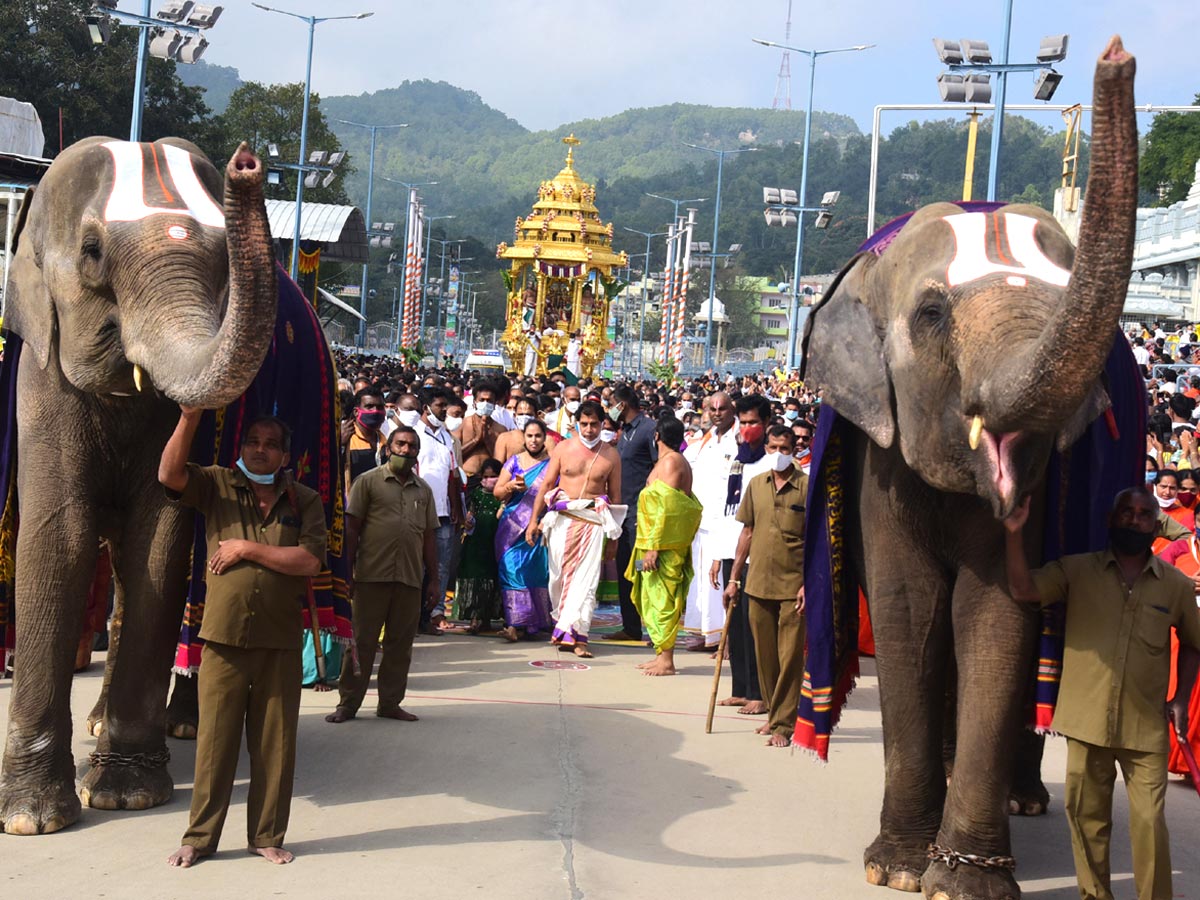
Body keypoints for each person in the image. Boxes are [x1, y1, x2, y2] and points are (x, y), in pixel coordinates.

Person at [1005, 488, 1200, 900]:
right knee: (1087, 821)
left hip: (1145, 727)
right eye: (1126, 512)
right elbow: (1023, 590)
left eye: (1144, 514)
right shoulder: (1076, 572)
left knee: (1149, 822)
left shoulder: (1176, 586)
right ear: (1111, 519)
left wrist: (1181, 696)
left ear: (1155, 525)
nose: (1134, 519)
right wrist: (1013, 532)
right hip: (1086, 721)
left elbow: (1194, 640)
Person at [162, 412, 327, 868]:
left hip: (279, 642)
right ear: (241, 447)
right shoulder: (217, 484)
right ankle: (199, 838)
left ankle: (266, 835)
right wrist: (190, 416)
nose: (259, 449)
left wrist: (246, 548)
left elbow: (310, 560)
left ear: (285, 455)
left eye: (270, 444)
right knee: (215, 743)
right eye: (252, 441)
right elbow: (169, 474)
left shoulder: (304, 500)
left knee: (275, 745)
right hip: (223, 639)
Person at [325, 426, 440, 725]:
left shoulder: (424, 490)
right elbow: (352, 529)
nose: (405, 450)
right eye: (400, 444)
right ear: (388, 448)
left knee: (400, 646)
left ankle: (390, 703)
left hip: (410, 578)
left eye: (411, 446)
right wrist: (347, 573)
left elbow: (429, 537)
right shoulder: (368, 482)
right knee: (361, 643)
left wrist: (435, 579)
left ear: (417, 453)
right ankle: (348, 704)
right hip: (370, 576)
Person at [725, 426, 808, 746]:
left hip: (793, 586)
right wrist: (734, 579)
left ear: (793, 450)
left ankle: (784, 725)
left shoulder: (806, 487)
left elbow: (818, 540)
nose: (777, 453)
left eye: (783, 447)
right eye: (772, 447)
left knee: (789, 658)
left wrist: (808, 585)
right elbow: (746, 532)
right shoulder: (757, 485)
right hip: (757, 582)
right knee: (766, 656)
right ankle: (775, 714)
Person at [527, 401, 625, 657]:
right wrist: (533, 521)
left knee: (586, 583)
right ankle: (564, 628)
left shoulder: (611, 455)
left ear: (603, 423)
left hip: (592, 523)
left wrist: (614, 538)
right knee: (558, 580)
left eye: (595, 424)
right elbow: (547, 485)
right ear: (577, 423)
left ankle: (580, 638)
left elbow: (615, 497)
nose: (590, 429)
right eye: (584, 424)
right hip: (562, 521)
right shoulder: (563, 448)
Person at [710, 394, 773, 716]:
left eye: (753, 423)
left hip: (756, 554)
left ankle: (760, 692)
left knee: (754, 624)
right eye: (744, 422)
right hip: (729, 550)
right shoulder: (733, 458)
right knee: (734, 623)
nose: (747, 428)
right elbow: (724, 509)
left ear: (766, 425)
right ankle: (740, 688)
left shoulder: (771, 463)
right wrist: (717, 555)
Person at [627, 416, 702, 676]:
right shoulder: (665, 461)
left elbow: (668, 509)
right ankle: (660, 653)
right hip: (648, 541)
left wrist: (654, 547)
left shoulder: (672, 462)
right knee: (650, 593)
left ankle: (667, 660)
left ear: (656, 436)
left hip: (662, 546)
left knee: (663, 598)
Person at [683, 391, 739, 652]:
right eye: (712, 409)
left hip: (728, 523)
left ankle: (728, 638)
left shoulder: (737, 441)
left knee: (723, 582)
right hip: (703, 521)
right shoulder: (705, 441)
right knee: (704, 583)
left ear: (732, 410)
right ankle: (710, 636)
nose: (717, 413)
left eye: (722, 409)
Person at [494, 419, 554, 640]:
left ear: (544, 437)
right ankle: (515, 623)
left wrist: (541, 519)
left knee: (536, 573)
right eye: (529, 436)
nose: (534, 440)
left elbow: (555, 494)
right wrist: (510, 486)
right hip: (511, 526)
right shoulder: (514, 462)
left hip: (538, 526)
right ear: (524, 437)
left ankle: (535, 622)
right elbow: (498, 492)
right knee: (511, 571)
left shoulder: (551, 464)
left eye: (538, 436)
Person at [608, 385, 656, 644]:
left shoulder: (648, 429)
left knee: (642, 569)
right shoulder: (624, 431)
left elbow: (660, 464)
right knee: (626, 568)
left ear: (622, 404)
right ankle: (630, 626)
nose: (610, 408)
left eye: (611, 403)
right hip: (622, 512)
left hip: (640, 513)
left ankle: (652, 628)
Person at [417, 386, 461, 633]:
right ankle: (415, 616)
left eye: (445, 406)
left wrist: (455, 506)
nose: (444, 410)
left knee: (440, 566)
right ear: (426, 408)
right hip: (419, 511)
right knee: (419, 566)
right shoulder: (414, 435)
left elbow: (452, 475)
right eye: (439, 406)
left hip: (443, 512)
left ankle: (434, 613)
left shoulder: (447, 437)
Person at [456, 458, 504, 633]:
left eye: (494, 476)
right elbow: (470, 512)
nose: (489, 480)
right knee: (476, 579)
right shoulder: (476, 494)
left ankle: (487, 618)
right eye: (486, 476)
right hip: (476, 542)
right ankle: (475, 618)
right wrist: (467, 521)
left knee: (491, 579)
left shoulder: (503, 496)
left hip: (495, 540)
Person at [341, 387, 387, 498]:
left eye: (380, 407)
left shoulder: (385, 441)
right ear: (356, 412)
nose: (375, 411)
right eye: (369, 406)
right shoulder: (346, 439)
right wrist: (339, 445)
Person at [456, 378, 505, 480]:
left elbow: (501, 461)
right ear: (474, 402)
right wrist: (476, 440)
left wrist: (487, 440)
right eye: (482, 400)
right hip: (466, 477)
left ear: (495, 404)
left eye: (489, 401)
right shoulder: (463, 424)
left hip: (490, 481)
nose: (485, 403)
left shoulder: (501, 429)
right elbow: (454, 455)